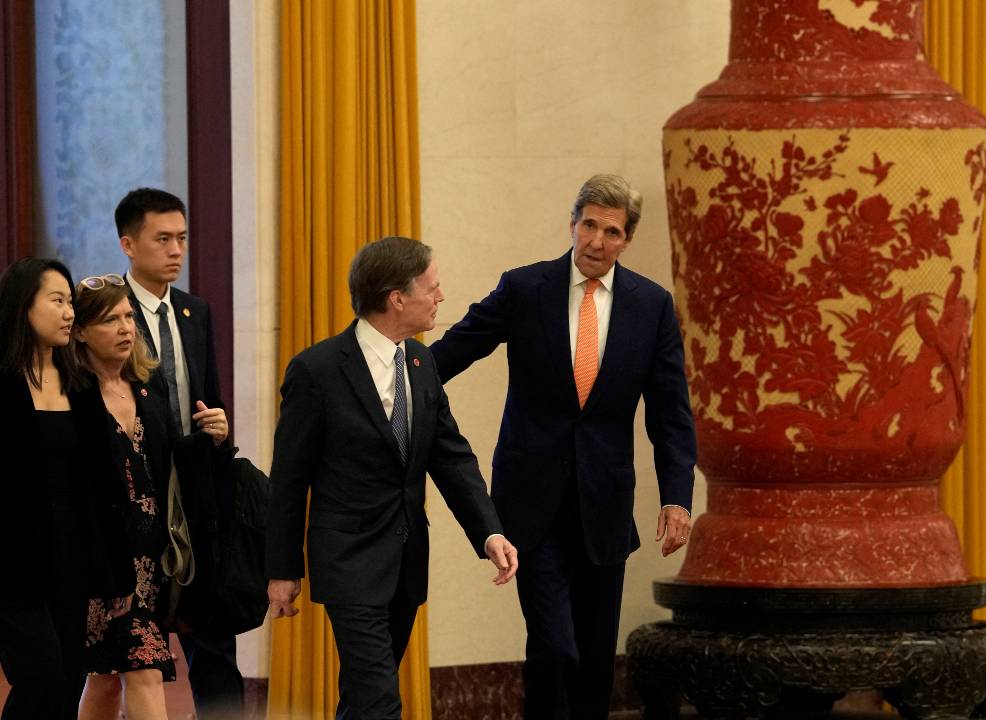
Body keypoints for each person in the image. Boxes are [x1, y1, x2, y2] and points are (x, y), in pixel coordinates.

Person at [429, 174, 697, 719]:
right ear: (572, 224)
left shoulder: (652, 306)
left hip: (603, 504)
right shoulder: (525, 289)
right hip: (531, 504)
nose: (597, 241)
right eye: (590, 225)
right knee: (555, 647)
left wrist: (677, 497)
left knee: (596, 659)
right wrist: (383, 382)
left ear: (628, 239)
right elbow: (450, 354)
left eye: (612, 231)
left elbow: (670, 414)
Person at [266, 236, 519, 720]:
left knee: (363, 698)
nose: (441, 297)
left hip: (405, 562)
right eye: (433, 287)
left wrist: (489, 532)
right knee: (381, 700)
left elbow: (452, 458)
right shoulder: (317, 371)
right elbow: (288, 479)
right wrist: (282, 569)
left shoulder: (422, 365)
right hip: (348, 562)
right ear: (396, 298)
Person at [70, 274, 230, 720]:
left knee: (104, 680)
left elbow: (166, 462)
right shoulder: (71, 395)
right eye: (109, 321)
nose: (125, 328)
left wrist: (212, 438)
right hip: (101, 562)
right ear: (79, 331)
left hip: (153, 558)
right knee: (143, 671)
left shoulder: (148, 385)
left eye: (128, 318)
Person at [114, 187, 241, 719]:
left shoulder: (195, 310)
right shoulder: (105, 311)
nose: (176, 250)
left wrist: (218, 427)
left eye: (182, 238)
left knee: (214, 639)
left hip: (196, 490)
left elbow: (204, 388)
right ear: (128, 244)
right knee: (133, 648)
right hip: (135, 495)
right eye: (162, 238)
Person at [0, 258, 133, 720]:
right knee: (42, 675)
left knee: (69, 680)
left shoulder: (79, 384)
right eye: (56, 301)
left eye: (70, 303)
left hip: (74, 553)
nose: (69, 313)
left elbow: (103, 484)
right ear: (23, 308)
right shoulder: (2, 382)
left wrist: (117, 571)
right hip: (14, 561)